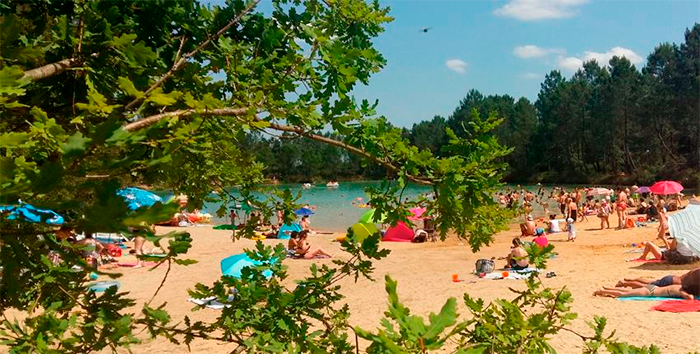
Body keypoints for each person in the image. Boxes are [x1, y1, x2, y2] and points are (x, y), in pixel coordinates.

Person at [593, 284, 693, 300]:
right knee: (624, 295)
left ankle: (607, 288)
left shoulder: (679, 286)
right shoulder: (681, 290)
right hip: (650, 292)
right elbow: (689, 298)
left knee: (628, 290)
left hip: (653, 288)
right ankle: (603, 291)